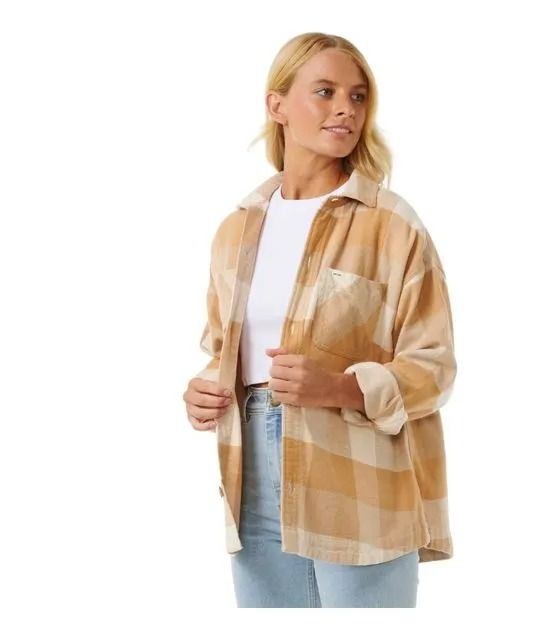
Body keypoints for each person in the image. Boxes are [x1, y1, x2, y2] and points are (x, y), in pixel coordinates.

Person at [182, 32, 457, 607]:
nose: (345, 109)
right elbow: (223, 351)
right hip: (251, 473)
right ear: (277, 105)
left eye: (358, 97)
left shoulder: (390, 225)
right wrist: (204, 391)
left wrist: (339, 387)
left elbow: (434, 368)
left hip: (357, 477)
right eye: (325, 91)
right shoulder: (237, 229)